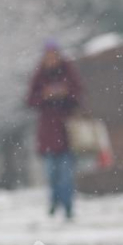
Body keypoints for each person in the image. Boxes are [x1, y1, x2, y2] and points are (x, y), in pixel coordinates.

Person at [26, 41, 82, 220]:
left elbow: (79, 94)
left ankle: (67, 207)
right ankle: (54, 200)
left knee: (66, 176)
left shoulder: (68, 72)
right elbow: (29, 100)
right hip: (48, 136)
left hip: (67, 134)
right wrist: (45, 95)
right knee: (51, 175)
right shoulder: (39, 76)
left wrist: (65, 94)